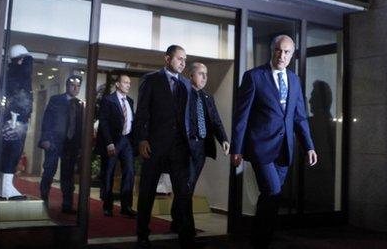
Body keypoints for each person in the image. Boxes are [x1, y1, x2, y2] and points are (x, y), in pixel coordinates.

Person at [230, 35, 318, 249]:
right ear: (272, 50)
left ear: (292, 55)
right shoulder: (254, 76)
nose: (282, 55)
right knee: (272, 192)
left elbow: (299, 116)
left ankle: (259, 238)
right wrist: (237, 148)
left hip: (284, 149)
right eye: (279, 50)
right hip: (260, 147)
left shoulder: (295, 80)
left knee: (270, 196)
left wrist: (309, 146)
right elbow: (241, 116)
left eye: (287, 52)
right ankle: (261, 242)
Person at [134, 45, 195, 249]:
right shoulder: (151, 80)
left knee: (183, 194)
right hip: (155, 146)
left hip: (179, 149)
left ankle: (186, 237)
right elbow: (142, 113)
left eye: (185, 60)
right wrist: (142, 139)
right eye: (179, 59)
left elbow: (189, 117)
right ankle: (142, 234)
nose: (183, 63)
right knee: (147, 191)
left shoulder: (186, 84)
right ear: (167, 58)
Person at [170, 62, 229, 232]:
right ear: (190, 76)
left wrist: (223, 139)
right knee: (187, 188)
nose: (204, 77)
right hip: (185, 148)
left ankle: (177, 220)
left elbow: (216, 121)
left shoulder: (208, 97)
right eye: (200, 73)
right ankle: (187, 230)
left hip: (201, 149)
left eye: (206, 74)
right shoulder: (181, 96)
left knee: (187, 187)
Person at [38, 75, 84, 214]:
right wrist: (45, 139)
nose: (75, 89)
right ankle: (43, 203)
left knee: (68, 176)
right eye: (72, 85)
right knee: (49, 173)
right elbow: (46, 120)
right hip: (53, 142)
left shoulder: (80, 104)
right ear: (67, 86)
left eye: (78, 86)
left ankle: (67, 205)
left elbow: (80, 127)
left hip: (70, 145)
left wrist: (80, 146)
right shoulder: (56, 100)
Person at [96, 74, 137, 218]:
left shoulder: (130, 101)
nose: (128, 85)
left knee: (130, 172)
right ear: (118, 84)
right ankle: (107, 206)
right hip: (113, 141)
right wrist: (109, 143)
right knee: (109, 173)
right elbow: (104, 122)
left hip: (127, 141)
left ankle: (126, 207)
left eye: (129, 83)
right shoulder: (108, 100)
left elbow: (132, 121)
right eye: (125, 82)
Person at [0, 44, 33, 200]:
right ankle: (5, 189)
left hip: (15, 119)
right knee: (12, 153)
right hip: (15, 120)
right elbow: (16, 98)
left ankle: (4, 187)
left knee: (11, 152)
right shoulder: (17, 75)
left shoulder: (12, 74)